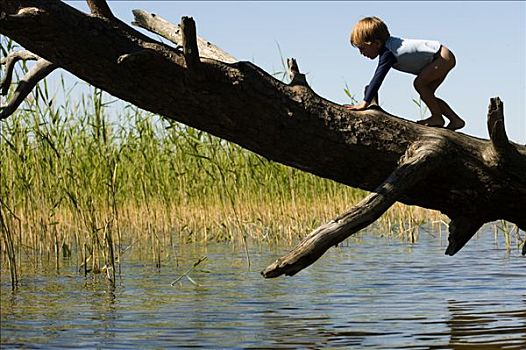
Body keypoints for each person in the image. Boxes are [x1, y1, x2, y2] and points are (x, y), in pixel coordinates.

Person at [344, 16, 465, 131]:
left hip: (441, 57)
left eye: (362, 48)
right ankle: (455, 120)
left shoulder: (388, 53)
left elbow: (378, 77)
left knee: (420, 85)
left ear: (376, 43)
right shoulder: (389, 47)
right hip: (441, 56)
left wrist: (365, 102)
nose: (361, 53)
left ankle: (437, 118)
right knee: (427, 94)